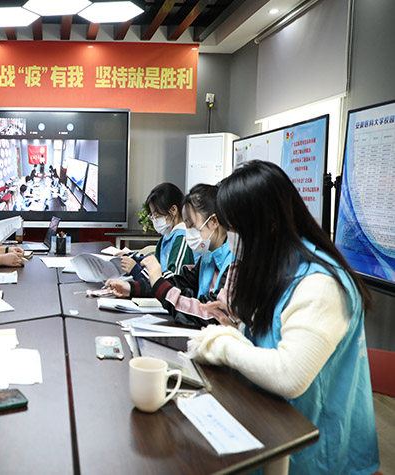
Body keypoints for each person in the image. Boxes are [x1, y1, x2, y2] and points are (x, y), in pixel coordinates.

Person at [187, 161, 378, 474]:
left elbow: (289, 375)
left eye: (237, 231)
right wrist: (238, 328)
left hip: (315, 452)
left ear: (270, 225)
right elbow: (267, 336)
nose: (233, 239)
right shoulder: (280, 266)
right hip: (272, 426)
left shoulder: (321, 285)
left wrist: (221, 345)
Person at [106, 184, 234, 327]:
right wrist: (132, 288)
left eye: (192, 226)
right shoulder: (208, 256)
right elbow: (180, 282)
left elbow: (212, 314)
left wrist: (159, 284)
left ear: (214, 221)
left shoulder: (233, 262)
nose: (189, 232)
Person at [120, 183, 195, 281]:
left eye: (157, 215)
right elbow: (155, 266)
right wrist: (133, 258)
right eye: (152, 216)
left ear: (173, 210)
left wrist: (136, 271)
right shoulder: (167, 236)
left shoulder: (182, 238)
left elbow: (175, 281)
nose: (155, 220)